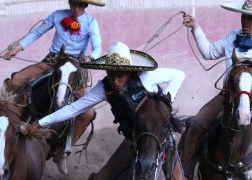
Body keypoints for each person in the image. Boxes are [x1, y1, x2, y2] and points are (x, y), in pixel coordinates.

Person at [27, 42, 185, 179]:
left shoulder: (146, 77)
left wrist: (164, 102)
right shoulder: (103, 88)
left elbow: (179, 75)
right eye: (111, 75)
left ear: (129, 71)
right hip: (133, 139)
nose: (115, 82)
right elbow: (73, 109)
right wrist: (40, 123)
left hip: (159, 139)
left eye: (120, 76)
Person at [3, 0, 105, 175]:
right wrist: (17, 49)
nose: (76, 9)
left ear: (85, 6)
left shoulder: (91, 22)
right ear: (70, 2)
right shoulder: (57, 15)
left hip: (73, 67)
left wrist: (89, 58)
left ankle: (62, 150)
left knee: (87, 113)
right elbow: (37, 33)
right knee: (14, 82)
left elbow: (97, 47)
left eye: (80, 6)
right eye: (73, 4)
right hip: (52, 61)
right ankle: (5, 122)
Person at [178, 0, 252, 178]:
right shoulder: (231, 37)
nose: (246, 21)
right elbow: (209, 52)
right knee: (196, 124)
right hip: (227, 95)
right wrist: (195, 27)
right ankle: (181, 171)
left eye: (251, 18)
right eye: (244, 16)